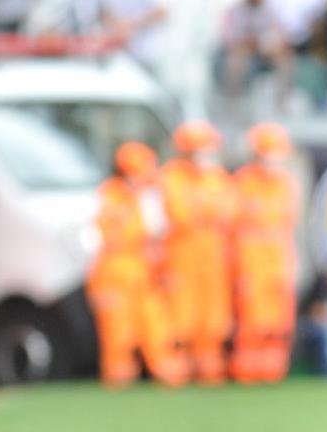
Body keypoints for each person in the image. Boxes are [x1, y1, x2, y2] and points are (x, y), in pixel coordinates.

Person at [87, 141, 186, 388]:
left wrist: (162, 268)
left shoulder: (148, 197)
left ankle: (166, 373)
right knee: (118, 333)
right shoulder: (108, 196)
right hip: (114, 273)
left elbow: (159, 235)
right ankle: (119, 378)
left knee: (155, 325)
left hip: (143, 272)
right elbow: (97, 238)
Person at [161, 121, 238, 384]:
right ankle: (181, 367)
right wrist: (206, 212)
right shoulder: (171, 176)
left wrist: (204, 213)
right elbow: (178, 214)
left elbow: (229, 212)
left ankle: (210, 366)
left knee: (214, 312)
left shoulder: (216, 176)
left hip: (213, 255)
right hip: (182, 255)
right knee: (182, 312)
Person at [230, 123, 301, 384]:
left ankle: (275, 367)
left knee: (279, 319)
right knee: (252, 318)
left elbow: (287, 225)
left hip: (278, 259)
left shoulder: (286, 183)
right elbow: (235, 226)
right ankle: (247, 369)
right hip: (252, 260)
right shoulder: (243, 182)